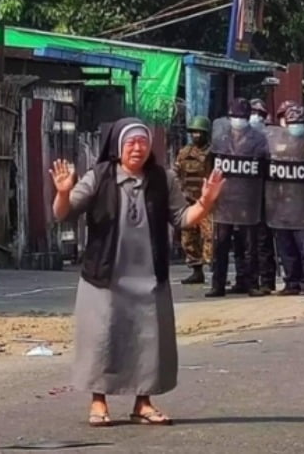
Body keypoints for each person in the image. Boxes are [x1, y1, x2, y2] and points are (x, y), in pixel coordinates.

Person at [50, 118, 224, 426]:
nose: (137, 148)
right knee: (102, 338)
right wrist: (63, 192)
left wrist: (207, 201)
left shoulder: (162, 178)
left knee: (148, 340)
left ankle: (143, 403)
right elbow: (63, 214)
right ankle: (98, 402)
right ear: (118, 147)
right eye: (130, 142)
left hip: (148, 276)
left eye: (143, 142)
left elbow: (183, 218)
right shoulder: (99, 176)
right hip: (105, 276)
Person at [207, 98, 269, 298]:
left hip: (248, 200)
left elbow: (265, 166)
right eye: (235, 116)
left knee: (249, 246)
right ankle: (218, 285)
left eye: (242, 117)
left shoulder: (258, 139)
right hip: (224, 200)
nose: (238, 120)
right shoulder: (220, 139)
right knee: (221, 245)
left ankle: (251, 283)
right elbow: (210, 164)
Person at [265, 105, 304, 295]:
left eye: (298, 123)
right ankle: (291, 282)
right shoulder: (275, 141)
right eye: (292, 123)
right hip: (281, 203)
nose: (294, 126)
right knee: (286, 248)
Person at [174, 116, 213, 284]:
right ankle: (197, 271)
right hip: (189, 202)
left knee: (210, 237)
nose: (196, 135)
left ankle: (216, 273)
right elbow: (176, 174)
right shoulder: (184, 153)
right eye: (194, 132)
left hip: (208, 202)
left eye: (199, 132)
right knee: (188, 238)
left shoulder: (213, 153)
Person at [251, 98, 278, 294]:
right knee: (246, 242)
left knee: (263, 241)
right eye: (253, 113)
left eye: (260, 114)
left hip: (266, 197)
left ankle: (267, 281)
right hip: (245, 199)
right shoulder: (241, 140)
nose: (256, 118)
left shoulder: (271, 141)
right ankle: (247, 280)